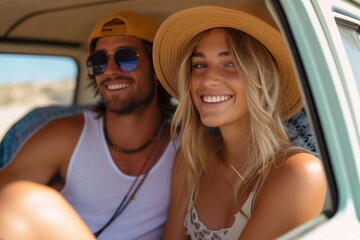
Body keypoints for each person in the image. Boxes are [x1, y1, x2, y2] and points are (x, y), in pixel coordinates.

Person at [152, 5, 327, 240]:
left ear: (263, 76)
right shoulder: (192, 160)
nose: (209, 79)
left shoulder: (299, 173)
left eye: (231, 63)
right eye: (199, 65)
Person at [0, 11, 176, 239]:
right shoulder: (65, 134)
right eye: (99, 62)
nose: (110, 71)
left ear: (157, 68)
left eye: (126, 58)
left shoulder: (187, 146)